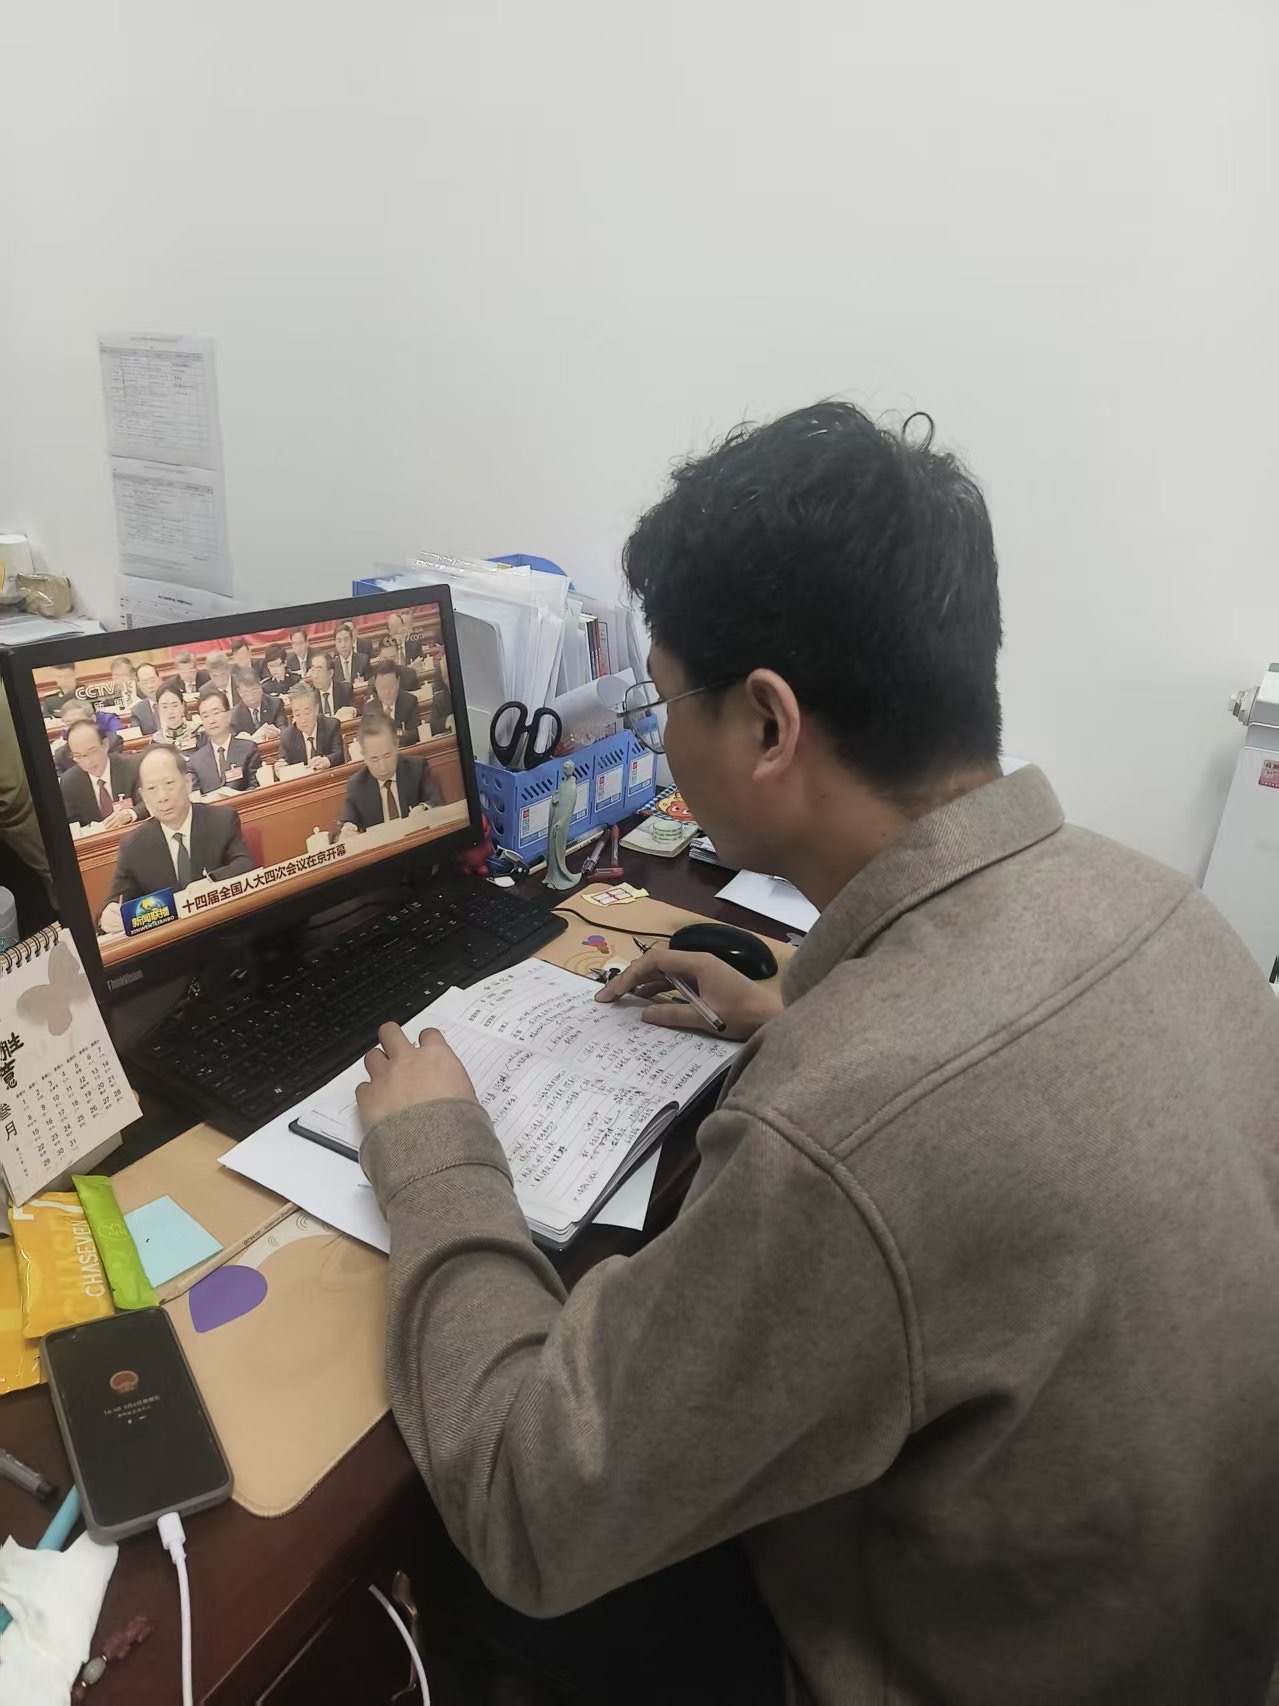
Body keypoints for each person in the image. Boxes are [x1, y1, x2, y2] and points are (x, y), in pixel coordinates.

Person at [351, 402, 1279, 1706]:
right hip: (1172, 1635)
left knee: (460, 1557)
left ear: (767, 725)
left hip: (955, 1661)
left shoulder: (848, 1134)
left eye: (664, 697)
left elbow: (527, 1495)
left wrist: (436, 1158)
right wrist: (800, 1008)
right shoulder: (1163, 909)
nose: (660, 735)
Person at [100, 746, 255, 933]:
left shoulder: (221, 819)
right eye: (152, 788)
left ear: (188, 783)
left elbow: (245, 864)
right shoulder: (133, 846)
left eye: (169, 783)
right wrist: (107, 917)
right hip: (167, 940)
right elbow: (115, 902)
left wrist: (211, 882)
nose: (162, 797)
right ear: (144, 796)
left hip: (224, 929)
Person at [338, 711, 443, 832]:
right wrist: (347, 829)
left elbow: (436, 802)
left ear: (396, 745)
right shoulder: (357, 785)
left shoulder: (416, 768)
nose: (382, 767)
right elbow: (346, 823)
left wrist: (423, 809)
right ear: (364, 755)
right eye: (374, 759)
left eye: (387, 756)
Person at [59, 719, 145, 829]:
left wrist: (131, 813)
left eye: (92, 751)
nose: (88, 762)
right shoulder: (69, 782)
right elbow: (71, 823)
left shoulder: (132, 767)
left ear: (105, 745)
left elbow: (150, 802)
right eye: (79, 756)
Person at [187, 688, 261, 794]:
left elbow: (255, 787)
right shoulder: (195, 761)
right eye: (206, 716)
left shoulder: (248, 749)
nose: (212, 720)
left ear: (229, 715)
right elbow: (196, 797)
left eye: (216, 713)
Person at [279, 681, 343, 770]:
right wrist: (280, 767)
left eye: (307, 713)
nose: (303, 720)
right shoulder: (287, 736)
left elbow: (339, 754)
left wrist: (327, 760)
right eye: (297, 715)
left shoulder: (331, 726)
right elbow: (283, 761)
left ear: (316, 709)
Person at [53, 702, 125, 774]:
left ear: (93, 719)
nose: (74, 728)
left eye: (78, 722)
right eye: (68, 724)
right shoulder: (61, 756)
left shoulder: (112, 742)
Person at [369, 658, 420, 747]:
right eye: (382, 688)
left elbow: (415, 734)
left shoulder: (410, 701)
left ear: (398, 682)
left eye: (390, 687)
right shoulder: (369, 709)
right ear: (376, 686)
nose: (387, 692)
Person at [149, 680, 201, 754]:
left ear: (183, 705)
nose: (170, 711)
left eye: (175, 705)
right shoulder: (156, 741)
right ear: (158, 709)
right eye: (164, 707)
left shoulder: (198, 732)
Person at [230, 668, 285, 736]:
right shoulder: (234, 715)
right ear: (239, 692)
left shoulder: (276, 704)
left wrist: (278, 732)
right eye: (246, 692)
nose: (251, 697)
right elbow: (234, 737)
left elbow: (283, 728)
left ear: (260, 687)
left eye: (254, 691)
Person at [307, 653, 353, 720]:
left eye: (319, 670)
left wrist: (352, 711)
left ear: (330, 673)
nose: (315, 676)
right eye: (313, 670)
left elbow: (357, 710)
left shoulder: (345, 690)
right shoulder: (309, 696)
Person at [332, 622, 370, 687]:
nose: (343, 645)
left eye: (346, 640)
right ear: (335, 643)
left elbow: (370, 684)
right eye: (339, 641)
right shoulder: (332, 666)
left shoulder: (363, 660)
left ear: (352, 640)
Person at [130, 662, 163, 736]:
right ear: (139, 685)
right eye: (145, 682)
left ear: (159, 679)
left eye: (152, 680)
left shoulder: (174, 699)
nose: (150, 686)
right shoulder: (137, 711)